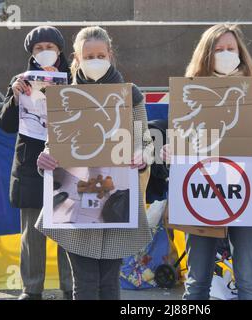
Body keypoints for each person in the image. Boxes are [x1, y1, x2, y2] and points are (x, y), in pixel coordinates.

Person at [161, 24, 252, 300]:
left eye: (231, 49)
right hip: (199, 193)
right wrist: (170, 153)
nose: (226, 54)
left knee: (249, 279)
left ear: (241, 53)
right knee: (197, 281)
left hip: (245, 194)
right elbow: (180, 144)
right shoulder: (188, 92)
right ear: (206, 55)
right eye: (219, 50)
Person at [36, 26, 154, 300]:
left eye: (100, 54)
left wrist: (142, 157)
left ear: (110, 55)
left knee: (110, 284)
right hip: (77, 201)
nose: (95, 60)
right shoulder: (64, 96)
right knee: (85, 285)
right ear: (77, 58)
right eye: (88, 56)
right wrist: (45, 160)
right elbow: (53, 145)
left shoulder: (130, 94)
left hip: (116, 203)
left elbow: (145, 142)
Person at [0, 26, 73, 300]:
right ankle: (32, 289)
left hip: (67, 163)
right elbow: (5, 125)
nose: (45, 53)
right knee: (32, 231)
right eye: (39, 49)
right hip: (30, 164)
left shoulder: (74, 78)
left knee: (69, 227)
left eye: (49, 48)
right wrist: (15, 97)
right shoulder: (21, 81)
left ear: (60, 51)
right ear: (31, 53)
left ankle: (70, 286)